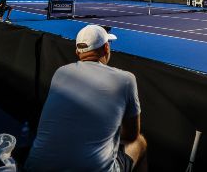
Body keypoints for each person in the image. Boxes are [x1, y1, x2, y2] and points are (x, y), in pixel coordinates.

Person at [24, 25, 147, 172]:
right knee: (140, 142)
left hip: (36, 167)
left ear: (77, 51)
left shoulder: (60, 72)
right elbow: (131, 135)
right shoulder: (127, 79)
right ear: (106, 48)